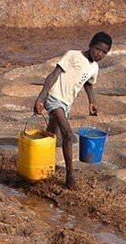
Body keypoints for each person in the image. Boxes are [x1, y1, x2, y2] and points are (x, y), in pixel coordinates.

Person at [34, 32, 112, 189]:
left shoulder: (94, 67)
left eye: (104, 52)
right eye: (98, 49)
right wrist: (41, 98)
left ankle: (39, 162)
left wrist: (92, 102)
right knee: (68, 135)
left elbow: (88, 84)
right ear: (90, 44)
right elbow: (53, 75)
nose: (100, 54)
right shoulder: (73, 55)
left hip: (66, 103)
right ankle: (70, 176)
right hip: (54, 98)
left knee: (52, 133)